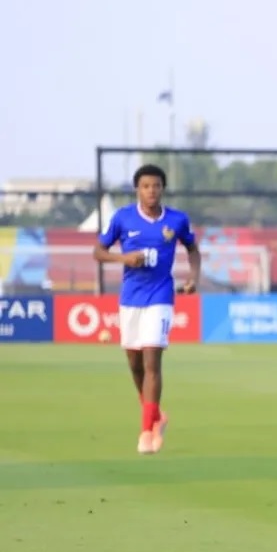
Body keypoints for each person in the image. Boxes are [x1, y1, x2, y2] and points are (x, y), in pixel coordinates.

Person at [93, 164, 199, 455]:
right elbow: (98, 252)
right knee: (135, 364)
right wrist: (125, 258)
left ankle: (146, 433)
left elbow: (192, 248)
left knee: (153, 359)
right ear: (137, 189)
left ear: (162, 188)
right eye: (146, 186)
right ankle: (156, 414)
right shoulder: (122, 218)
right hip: (130, 298)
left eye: (156, 186)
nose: (151, 191)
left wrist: (193, 277)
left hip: (161, 295)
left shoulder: (177, 220)